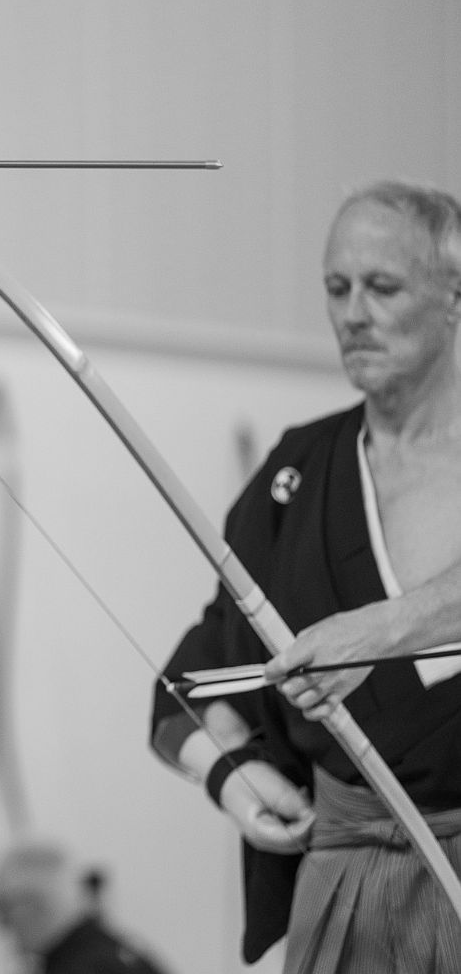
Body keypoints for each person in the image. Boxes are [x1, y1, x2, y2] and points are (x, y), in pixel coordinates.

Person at [150, 180, 461, 972]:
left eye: (383, 287)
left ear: (454, 294)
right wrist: (232, 774)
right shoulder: (300, 470)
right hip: (345, 880)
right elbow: (198, 676)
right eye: (336, 287)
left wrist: (384, 630)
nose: (353, 313)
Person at [0, 841, 169, 974]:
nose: (3, 925)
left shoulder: (73, 966)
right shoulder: (119, 952)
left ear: (32, 906)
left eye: (4, 909)